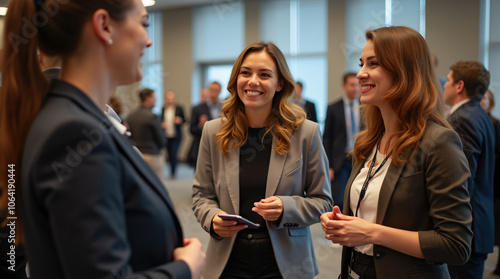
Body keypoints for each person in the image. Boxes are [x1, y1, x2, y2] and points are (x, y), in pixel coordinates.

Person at [0, 0, 205, 278]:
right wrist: (185, 268)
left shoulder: (81, 120)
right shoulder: (73, 132)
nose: (149, 41)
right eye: (143, 23)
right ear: (104, 26)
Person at [321, 26, 473, 279]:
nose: (360, 74)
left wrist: (371, 233)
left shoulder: (439, 142)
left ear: (405, 71)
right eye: (361, 64)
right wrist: (342, 223)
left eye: (373, 63)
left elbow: (456, 246)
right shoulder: (368, 141)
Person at [192, 41, 332, 279]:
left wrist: (286, 208)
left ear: (279, 84)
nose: (253, 81)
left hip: (286, 263)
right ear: (236, 79)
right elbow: (201, 195)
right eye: (245, 73)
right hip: (229, 261)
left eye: (264, 75)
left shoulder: (306, 133)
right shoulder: (213, 131)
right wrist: (212, 218)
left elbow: (323, 201)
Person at [444, 61, 495, 279]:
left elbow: (462, 180)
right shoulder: (481, 115)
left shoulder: (462, 118)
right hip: (479, 222)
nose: (444, 84)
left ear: (459, 86)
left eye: (448, 80)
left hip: (466, 228)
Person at [323, 72, 362, 211]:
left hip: (360, 158)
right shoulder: (333, 108)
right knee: (339, 199)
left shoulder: (367, 107)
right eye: (352, 85)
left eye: (358, 85)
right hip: (340, 160)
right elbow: (326, 138)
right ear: (344, 86)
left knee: (359, 197)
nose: (356, 88)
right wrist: (329, 166)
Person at [481, 89, 500, 276]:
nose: (482, 101)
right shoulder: (480, 120)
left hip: (493, 181)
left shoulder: (495, 123)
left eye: (485, 98)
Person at [128, 88, 166, 179]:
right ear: (148, 98)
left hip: (137, 155)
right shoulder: (153, 116)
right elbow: (161, 141)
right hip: (152, 156)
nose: (155, 100)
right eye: (154, 97)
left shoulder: (131, 116)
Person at [189, 82, 222, 168]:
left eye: (216, 90)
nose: (214, 93)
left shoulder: (225, 108)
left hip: (220, 149)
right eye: (211, 90)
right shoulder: (198, 108)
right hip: (202, 148)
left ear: (220, 92)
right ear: (208, 91)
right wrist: (200, 125)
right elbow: (191, 130)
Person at [161, 90, 186, 179]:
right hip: (167, 135)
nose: (170, 100)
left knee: (174, 153)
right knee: (169, 153)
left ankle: (173, 172)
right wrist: (162, 124)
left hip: (176, 135)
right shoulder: (164, 108)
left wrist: (180, 120)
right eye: (168, 98)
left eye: (171, 98)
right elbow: (161, 119)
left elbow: (185, 120)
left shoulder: (179, 108)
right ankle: (171, 170)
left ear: (174, 99)